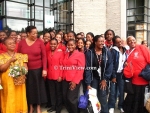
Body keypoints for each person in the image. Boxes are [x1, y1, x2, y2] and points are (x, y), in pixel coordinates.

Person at [18, 26, 47, 113]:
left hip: (38, 69)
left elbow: (44, 56)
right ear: (28, 33)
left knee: (38, 89)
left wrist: (44, 69)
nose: (36, 35)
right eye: (33, 33)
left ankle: (38, 106)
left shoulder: (40, 42)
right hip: (26, 71)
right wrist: (21, 69)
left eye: (36, 33)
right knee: (29, 89)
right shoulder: (21, 43)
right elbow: (19, 56)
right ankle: (31, 107)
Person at [85, 35, 113, 113]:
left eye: (103, 41)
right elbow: (88, 69)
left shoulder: (107, 52)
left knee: (103, 97)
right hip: (94, 78)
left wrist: (105, 79)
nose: (102, 43)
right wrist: (88, 83)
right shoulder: (89, 53)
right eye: (100, 41)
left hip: (103, 78)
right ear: (95, 42)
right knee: (93, 98)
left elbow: (110, 66)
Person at [0, 38, 28, 113]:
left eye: (13, 43)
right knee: (9, 96)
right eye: (10, 43)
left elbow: (26, 68)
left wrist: (22, 72)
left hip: (19, 81)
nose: (12, 45)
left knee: (19, 96)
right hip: (7, 81)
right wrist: (9, 61)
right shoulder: (2, 56)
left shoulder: (21, 56)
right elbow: (2, 69)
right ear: (5, 46)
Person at [123, 36, 150, 113]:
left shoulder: (142, 48)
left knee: (142, 99)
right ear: (127, 43)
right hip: (133, 80)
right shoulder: (127, 52)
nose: (132, 42)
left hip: (143, 79)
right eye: (130, 41)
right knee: (133, 99)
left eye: (133, 40)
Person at [62, 39, 85, 113]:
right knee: (65, 98)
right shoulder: (66, 54)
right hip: (65, 79)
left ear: (75, 45)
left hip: (74, 80)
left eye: (72, 45)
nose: (70, 46)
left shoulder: (80, 54)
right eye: (68, 45)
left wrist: (75, 81)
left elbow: (80, 69)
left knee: (71, 98)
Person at [108, 36, 127, 113]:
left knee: (122, 91)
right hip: (114, 73)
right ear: (114, 43)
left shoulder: (125, 50)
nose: (120, 43)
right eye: (118, 42)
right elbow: (111, 64)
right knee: (113, 91)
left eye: (120, 41)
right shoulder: (113, 51)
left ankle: (120, 106)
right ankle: (111, 106)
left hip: (122, 74)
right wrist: (113, 76)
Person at [47, 38, 64, 113]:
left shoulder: (60, 53)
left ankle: (58, 108)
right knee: (52, 92)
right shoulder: (48, 52)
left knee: (58, 93)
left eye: (54, 44)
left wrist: (60, 76)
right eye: (51, 43)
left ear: (57, 45)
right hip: (50, 75)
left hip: (57, 76)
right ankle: (53, 106)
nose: (52, 45)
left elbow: (62, 65)